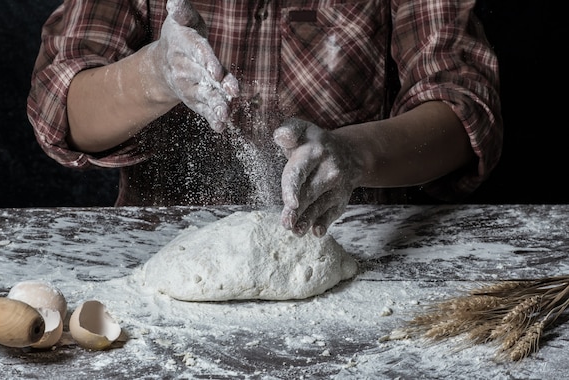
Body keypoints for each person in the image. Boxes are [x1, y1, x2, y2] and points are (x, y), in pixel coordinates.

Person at [27, 0, 502, 237]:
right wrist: (155, 73)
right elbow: (62, 113)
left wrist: (356, 153)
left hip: (354, 243)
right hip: (162, 248)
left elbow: (464, 110)